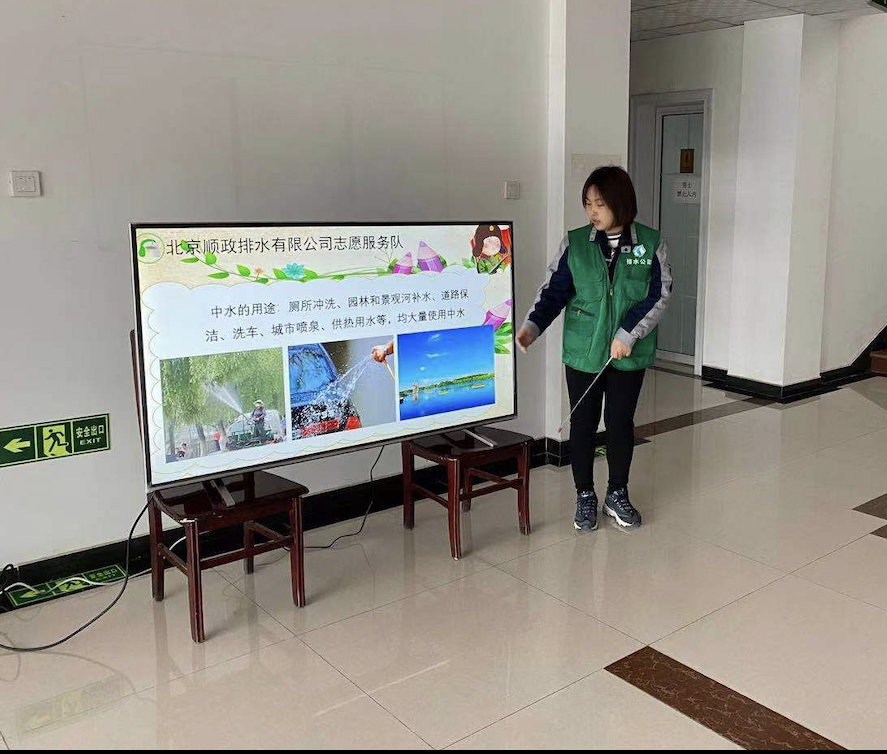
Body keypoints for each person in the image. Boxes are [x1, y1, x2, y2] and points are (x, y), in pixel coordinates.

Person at [517, 166, 673, 531]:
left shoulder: (650, 243)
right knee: (583, 425)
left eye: (600, 204)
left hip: (627, 354)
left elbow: (659, 293)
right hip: (583, 351)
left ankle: (617, 494)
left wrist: (628, 333)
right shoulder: (575, 243)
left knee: (619, 424)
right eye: (588, 203)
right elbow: (553, 291)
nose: (592, 212)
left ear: (621, 202)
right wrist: (531, 327)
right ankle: (584, 495)